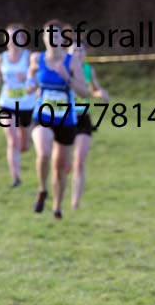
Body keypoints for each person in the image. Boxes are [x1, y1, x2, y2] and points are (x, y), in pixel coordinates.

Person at [26, 20, 88, 219]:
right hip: (42, 115)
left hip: (66, 119)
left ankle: (57, 206)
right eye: (48, 35)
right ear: (44, 38)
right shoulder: (37, 58)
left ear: (62, 38)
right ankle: (42, 189)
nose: (52, 38)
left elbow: (84, 92)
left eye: (56, 35)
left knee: (60, 168)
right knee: (43, 153)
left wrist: (67, 77)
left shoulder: (72, 62)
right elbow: (31, 76)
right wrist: (30, 84)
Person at [0, 23, 36, 187]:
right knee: (12, 141)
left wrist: (28, 79)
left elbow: (39, 78)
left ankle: (26, 142)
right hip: (7, 103)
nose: (13, 40)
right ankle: (16, 178)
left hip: (27, 104)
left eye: (17, 36)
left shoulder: (30, 57)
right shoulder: (1, 58)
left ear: (23, 39)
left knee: (24, 144)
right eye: (9, 36)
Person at [69, 42, 109, 210]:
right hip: (63, 116)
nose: (78, 53)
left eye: (81, 50)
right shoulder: (63, 67)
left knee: (79, 161)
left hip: (83, 116)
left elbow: (93, 89)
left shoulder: (88, 70)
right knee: (63, 164)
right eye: (74, 50)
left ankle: (75, 203)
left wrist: (101, 93)